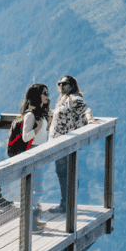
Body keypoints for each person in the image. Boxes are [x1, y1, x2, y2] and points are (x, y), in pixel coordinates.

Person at [49, 75, 92, 211]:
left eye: (65, 84)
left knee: (66, 173)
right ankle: (68, 203)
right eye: (59, 83)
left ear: (72, 86)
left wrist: (91, 121)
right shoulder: (63, 100)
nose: (61, 86)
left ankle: (67, 205)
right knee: (65, 172)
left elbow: (86, 110)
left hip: (66, 142)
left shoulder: (73, 99)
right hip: (60, 142)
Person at [8, 83, 51, 158]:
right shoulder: (30, 115)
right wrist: (37, 128)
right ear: (37, 95)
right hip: (33, 151)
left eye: (48, 93)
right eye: (45, 93)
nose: (48, 96)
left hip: (40, 150)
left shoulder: (41, 114)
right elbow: (25, 137)